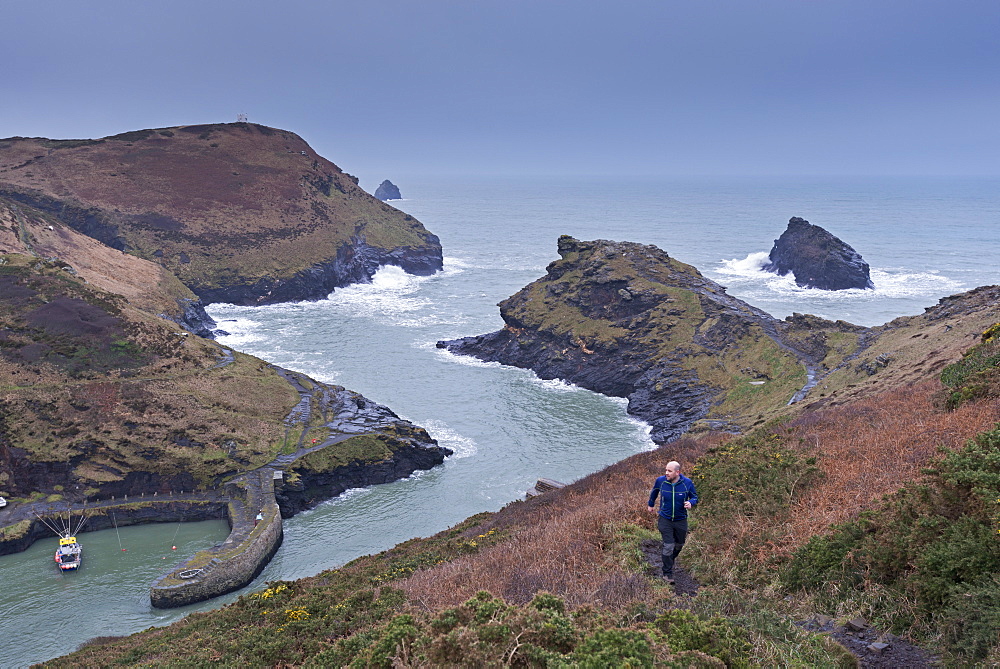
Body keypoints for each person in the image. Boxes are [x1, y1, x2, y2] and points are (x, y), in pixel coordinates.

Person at [647, 460, 698, 584]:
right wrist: (651, 504)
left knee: (679, 545)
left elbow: (695, 497)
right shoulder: (661, 481)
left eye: (669, 471)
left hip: (681, 520)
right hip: (665, 518)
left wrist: (690, 503)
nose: (666, 473)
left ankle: (669, 559)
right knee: (668, 546)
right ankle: (667, 574)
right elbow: (654, 492)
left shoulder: (687, 483)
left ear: (677, 472)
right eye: (666, 470)